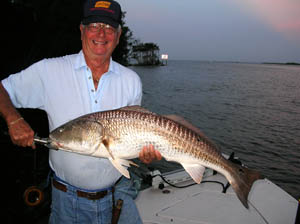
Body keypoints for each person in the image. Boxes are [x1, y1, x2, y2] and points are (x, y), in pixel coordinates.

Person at [0, 0, 161, 223]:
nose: (101, 34)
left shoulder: (131, 80)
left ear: (118, 34)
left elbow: (129, 143)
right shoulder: (50, 70)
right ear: (82, 30)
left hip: (116, 195)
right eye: (94, 25)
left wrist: (145, 154)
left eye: (109, 27)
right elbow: (2, 89)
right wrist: (13, 119)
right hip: (67, 201)